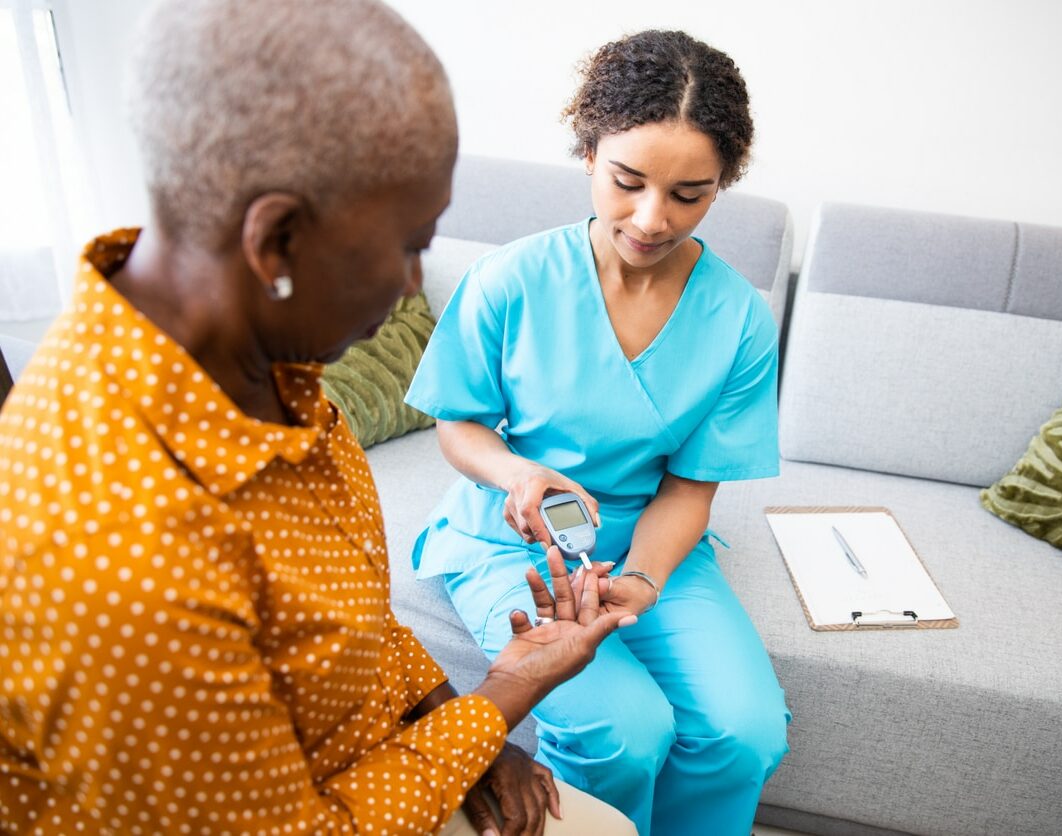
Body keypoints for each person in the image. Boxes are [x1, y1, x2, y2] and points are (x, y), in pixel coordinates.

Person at [0, 1, 638, 834]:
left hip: (367, 756)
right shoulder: (125, 552)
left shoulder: (268, 368)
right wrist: (504, 697)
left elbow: (352, 625)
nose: (416, 285)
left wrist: (464, 726)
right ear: (276, 244)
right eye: (412, 243)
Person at [405, 29, 791, 836]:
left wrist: (644, 580)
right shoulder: (511, 280)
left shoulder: (737, 319)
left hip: (650, 543)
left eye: (690, 194)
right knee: (623, 733)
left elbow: (690, 487)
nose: (652, 219)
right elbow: (459, 425)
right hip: (517, 540)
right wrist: (515, 474)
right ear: (588, 155)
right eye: (627, 182)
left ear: (722, 186)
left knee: (745, 731)